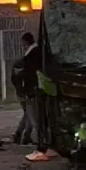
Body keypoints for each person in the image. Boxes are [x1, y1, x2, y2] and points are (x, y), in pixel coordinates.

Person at [17, 32, 59, 162]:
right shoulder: (38, 51)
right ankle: (46, 144)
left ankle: (42, 147)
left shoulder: (33, 53)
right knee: (39, 118)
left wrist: (23, 77)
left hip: (35, 90)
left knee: (37, 118)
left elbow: (31, 72)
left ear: (25, 42)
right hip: (39, 88)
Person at [10, 58, 32, 145]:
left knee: (27, 114)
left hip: (20, 94)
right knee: (30, 115)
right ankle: (26, 136)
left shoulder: (15, 72)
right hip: (27, 94)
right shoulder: (26, 70)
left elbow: (13, 81)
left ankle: (18, 133)